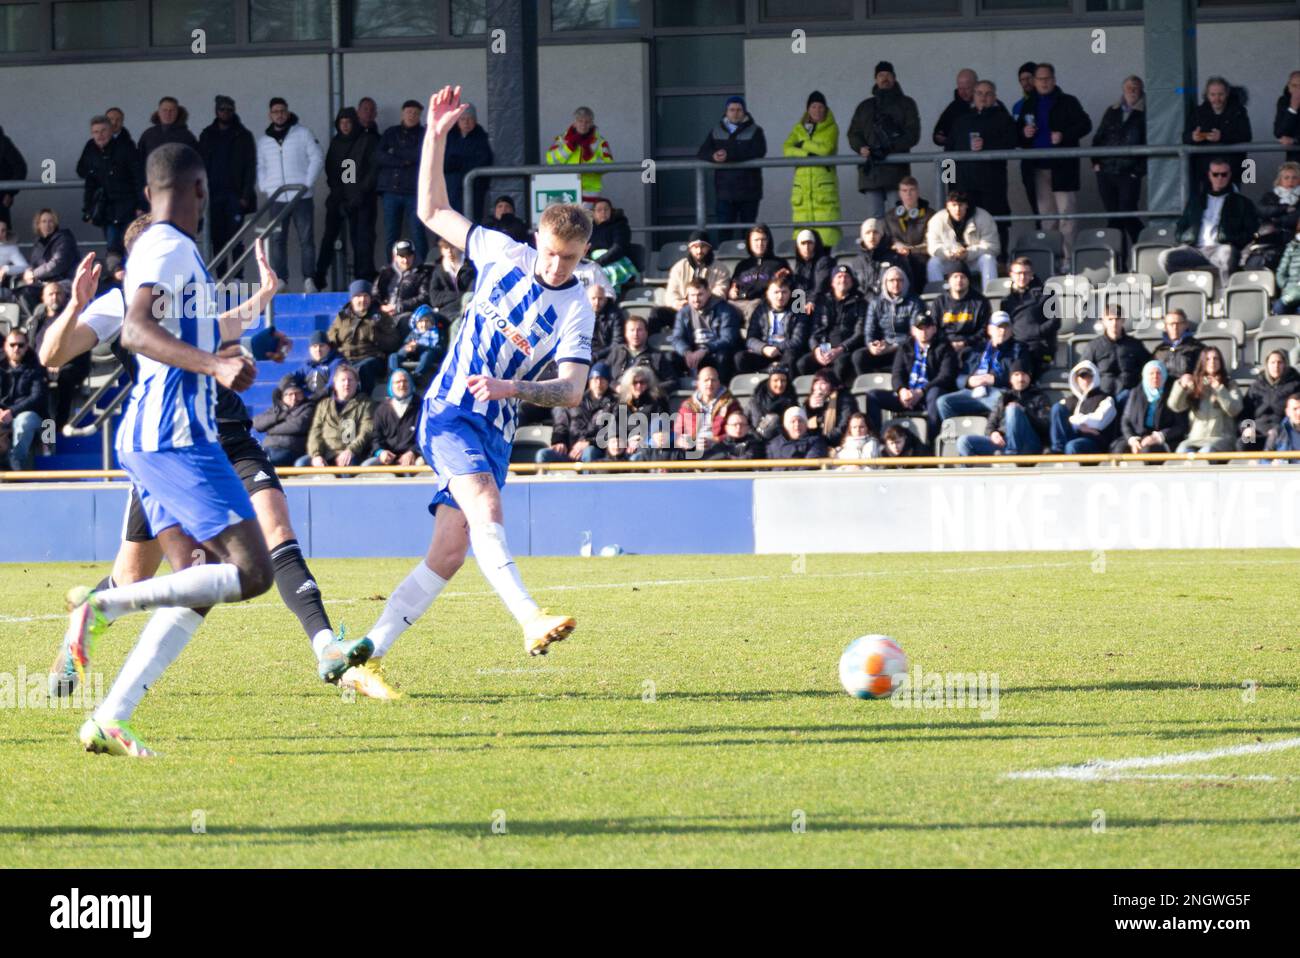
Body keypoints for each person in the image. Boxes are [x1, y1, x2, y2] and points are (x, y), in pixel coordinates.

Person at [50, 147, 364, 758]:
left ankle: (110, 717)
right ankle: (102, 604)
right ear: (197, 187)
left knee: (198, 584)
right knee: (252, 573)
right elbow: (135, 330)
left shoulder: (179, 255)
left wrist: (250, 335)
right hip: (175, 439)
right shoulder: (166, 247)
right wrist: (217, 365)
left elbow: (211, 327)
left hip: (169, 437)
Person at [351, 85, 597, 697]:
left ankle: (364, 658)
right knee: (485, 506)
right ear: (537, 239)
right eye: (551, 254)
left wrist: (510, 385)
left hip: (499, 424)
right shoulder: (498, 251)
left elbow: (571, 391)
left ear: (582, 255)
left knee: (450, 550)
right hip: (449, 410)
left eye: (569, 260)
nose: (556, 268)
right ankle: (529, 617)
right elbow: (433, 211)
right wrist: (434, 135)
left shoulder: (578, 309)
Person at [1015, 63, 1093, 257]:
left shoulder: (1068, 101)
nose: (1044, 82)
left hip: (1063, 168)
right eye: (1040, 79)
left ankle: (1069, 260)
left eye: (1047, 78)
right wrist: (1024, 132)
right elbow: (1015, 134)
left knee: (1067, 216)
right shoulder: (1028, 104)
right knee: (1047, 218)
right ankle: (1051, 260)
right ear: (1034, 81)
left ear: (1054, 79)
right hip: (1038, 168)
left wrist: (1064, 135)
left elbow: (1085, 124)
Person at [257, 97, 324, 291]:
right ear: (270, 115)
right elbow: (260, 166)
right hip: (277, 198)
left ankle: (309, 279)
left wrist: (306, 184)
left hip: (301, 197)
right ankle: (281, 280)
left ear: (288, 112)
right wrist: (266, 187)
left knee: (306, 239)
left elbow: (317, 157)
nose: (279, 114)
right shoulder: (264, 141)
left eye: (282, 111)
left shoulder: (303, 133)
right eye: (275, 111)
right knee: (277, 240)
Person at [1163, 157, 1259, 287]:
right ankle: (1185, 289)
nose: (1220, 178)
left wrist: (1232, 239)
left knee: (1227, 253)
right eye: (1215, 174)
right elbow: (1181, 226)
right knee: (1165, 257)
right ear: (1209, 175)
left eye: (1224, 174)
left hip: (1221, 247)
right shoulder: (1196, 201)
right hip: (1196, 249)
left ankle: (1228, 295)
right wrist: (1186, 239)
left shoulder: (1242, 202)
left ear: (1229, 175)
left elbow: (1250, 230)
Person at [312, 106, 378, 290]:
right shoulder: (336, 143)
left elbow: (370, 171)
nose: (346, 126)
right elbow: (332, 171)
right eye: (342, 123)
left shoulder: (366, 141)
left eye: (349, 122)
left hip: (361, 200)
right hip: (338, 198)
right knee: (329, 237)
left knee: (361, 241)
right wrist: (340, 196)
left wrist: (356, 196)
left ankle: (362, 279)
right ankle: (319, 276)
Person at [949, 79, 1017, 258]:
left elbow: (1012, 143)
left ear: (994, 97)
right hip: (965, 186)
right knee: (965, 226)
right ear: (973, 95)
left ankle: (1000, 263)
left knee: (996, 225)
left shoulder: (1003, 119)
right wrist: (949, 185)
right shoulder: (961, 121)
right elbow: (948, 153)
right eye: (979, 93)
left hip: (992, 186)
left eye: (988, 94)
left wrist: (988, 144)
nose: (983, 97)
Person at [864, 311, 956, 443]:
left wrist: (921, 391)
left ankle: (931, 444)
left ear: (934, 329)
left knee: (935, 393)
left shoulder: (944, 347)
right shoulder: (905, 346)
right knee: (873, 395)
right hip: (907, 395)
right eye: (920, 328)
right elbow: (897, 373)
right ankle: (876, 441)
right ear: (913, 330)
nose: (923, 332)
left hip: (927, 396)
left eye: (927, 327)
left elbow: (946, 376)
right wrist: (901, 391)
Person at [846, 61, 921, 220]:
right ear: (875, 79)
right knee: (875, 221)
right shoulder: (865, 106)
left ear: (894, 78)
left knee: (900, 218)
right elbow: (853, 133)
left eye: (887, 75)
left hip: (896, 172)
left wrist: (889, 148)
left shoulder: (906, 104)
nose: (884, 78)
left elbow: (913, 134)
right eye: (881, 75)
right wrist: (861, 148)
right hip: (871, 173)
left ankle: (900, 246)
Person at [198, 96, 258, 280]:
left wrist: (246, 195)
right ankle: (222, 278)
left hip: (235, 196)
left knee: (236, 239)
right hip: (213, 195)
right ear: (216, 111)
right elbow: (200, 166)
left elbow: (250, 166)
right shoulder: (207, 135)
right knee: (217, 239)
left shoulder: (243, 135)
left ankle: (238, 277)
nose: (226, 113)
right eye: (222, 109)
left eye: (229, 110)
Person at [697, 96, 767, 240]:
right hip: (725, 192)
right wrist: (713, 155)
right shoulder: (716, 130)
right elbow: (702, 152)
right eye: (732, 110)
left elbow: (758, 151)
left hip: (749, 191)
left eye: (739, 110)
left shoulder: (755, 130)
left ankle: (749, 261)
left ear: (744, 111)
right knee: (724, 233)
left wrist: (728, 155)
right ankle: (723, 261)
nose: (735, 113)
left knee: (749, 234)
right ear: (726, 112)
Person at [76, 115, 144, 256]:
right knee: (112, 245)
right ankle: (117, 274)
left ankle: (131, 275)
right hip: (106, 208)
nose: (100, 135)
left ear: (111, 131)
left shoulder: (125, 147)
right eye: (96, 132)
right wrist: (88, 209)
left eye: (103, 131)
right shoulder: (90, 148)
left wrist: (141, 205)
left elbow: (139, 178)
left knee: (132, 245)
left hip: (128, 206)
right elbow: (82, 171)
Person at [24, 281, 90, 427]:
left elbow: (81, 349)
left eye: (58, 293)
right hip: (41, 367)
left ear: (65, 297)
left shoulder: (72, 319)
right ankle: (40, 430)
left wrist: (59, 362)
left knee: (64, 379)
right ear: (43, 298)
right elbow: (30, 349)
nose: (55, 297)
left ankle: (59, 427)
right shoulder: (36, 322)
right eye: (51, 294)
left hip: (70, 365)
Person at [957, 358, 1052, 458]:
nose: (1020, 378)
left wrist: (1024, 412)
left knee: (1013, 410)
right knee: (964, 441)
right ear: (1011, 378)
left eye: (1024, 374)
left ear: (1029, 377)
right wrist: (993, 433)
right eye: (1016, 375)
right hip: (1004, 444)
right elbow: (990, 424)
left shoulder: (1039, 397)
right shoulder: (1004, 398)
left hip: (1029, 444)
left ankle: (1011, 453)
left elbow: (1045, 426)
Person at [1091, 76, 1147, 243]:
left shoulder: (1146, 113)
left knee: (1127, 213)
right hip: (1106, 171)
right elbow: (1099, 137)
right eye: (1129, 87)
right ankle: (1118, 262)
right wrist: (1096, 162)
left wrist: (1137, 172)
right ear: (1123, 90)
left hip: (1129, 172)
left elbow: (1149, 143)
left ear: (1141, 90)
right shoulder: (1112, 111)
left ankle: (1143, 250)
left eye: (1135, 87)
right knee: (1113, 218)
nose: (1132, 91)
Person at [783, 91, 841, 248]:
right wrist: (807, 153)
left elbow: (825, 150)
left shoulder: (831, 127)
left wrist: (802, 144)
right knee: (804, 239)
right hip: (802, 188)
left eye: (821, 107)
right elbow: (787, 149)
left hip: (823, 186)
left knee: (826, 235)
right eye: (814, 106)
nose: (817, 110)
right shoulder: (798, 128)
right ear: (808, 109)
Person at [935, 310, 1018, 421]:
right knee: (943, 402)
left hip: (997, 391)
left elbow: (1020, 378)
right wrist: (969, 381)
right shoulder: (977, 349)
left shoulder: (1018, 349)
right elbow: (959, 378)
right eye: (998, 327)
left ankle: (996, 433)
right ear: (989, 330)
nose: (1002, 331)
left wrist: (994, 380)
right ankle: (957, 434)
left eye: (1006, 327)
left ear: (1011, 329)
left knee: (1004, 403)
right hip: (972, 392)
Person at [852, 264, 928, 377]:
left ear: (905, 282)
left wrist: (893, 346)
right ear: (885, 283)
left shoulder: (915, 302)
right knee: (858, 356)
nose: (895, 284)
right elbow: (869, 331)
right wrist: (871, 346)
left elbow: (915, 334)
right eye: (891, 280)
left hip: (903, 347)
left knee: (907, 354)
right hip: (883, 345)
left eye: (899, 280)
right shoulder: (875, 303)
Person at [377, 99, 429, 264]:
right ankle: (392, 270)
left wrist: (395, 154)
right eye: (409, 112)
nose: (412, 116)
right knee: (391, 235)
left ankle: (422, 269)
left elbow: (422, 155)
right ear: (402, 113)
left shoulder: (424, 134)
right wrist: (402, 161)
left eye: (415, 113)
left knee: (418, 233)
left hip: (415, 192)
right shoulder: (390, 133)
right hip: (391, 191)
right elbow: (378, 156)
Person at [327, 278, 398, 395]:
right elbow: (330, 337)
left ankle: (362, 399)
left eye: (366, 296)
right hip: (346, 359)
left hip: (370, 358)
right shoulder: (342, 317)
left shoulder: (379, 316)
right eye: (358, 296)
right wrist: (335, 338)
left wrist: (376, 337)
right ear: (352, 299)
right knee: (335, 369)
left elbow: (394, 341)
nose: (362, 300)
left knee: (362, 370)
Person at [536, 362, 618, 464]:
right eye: (595, 379)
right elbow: (561, 424)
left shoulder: (615, 404)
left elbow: (613, 432)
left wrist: (589, 442)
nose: (598, 383)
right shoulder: (576, 399)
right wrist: (559, 441)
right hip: (570, 449)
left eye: (602, 379)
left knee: (589, 452)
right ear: (589, 381)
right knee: (543, 454)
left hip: (597, 450)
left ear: (608, 381)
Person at [1167, 346, 1243, 454]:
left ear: (1220, 362)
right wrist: (1181, 386)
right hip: (1195, 438)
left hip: (1221, 439)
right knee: (1181, 451)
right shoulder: (1195, 384)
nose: (1212, 362)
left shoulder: (1230, 385)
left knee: (1206, 452)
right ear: (1202, 362)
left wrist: (1219, 389)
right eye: (1207, 359)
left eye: (1215, 359)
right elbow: (1175, 406)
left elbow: (1235, 410)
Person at [800, 265, 866, 383]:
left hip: (845, 348)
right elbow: (814, 331)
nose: (843, 280)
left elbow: (859, 333)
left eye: (846, 277)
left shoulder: (860, 302)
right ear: (832, 282)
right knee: (803, 363)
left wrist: (839, 349)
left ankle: (836, 396)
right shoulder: (822, 302)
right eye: (839, 277)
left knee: (841, 364)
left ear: (852, 281)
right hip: (824, 347)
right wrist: (816, 350)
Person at [301, 363, 374, 468]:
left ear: (357, 383)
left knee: (348, 466)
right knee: (301, 464)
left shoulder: (365, 404)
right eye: (343, 380)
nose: (346, 383)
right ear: (335, 384)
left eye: (350, 380)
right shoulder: (324, 405)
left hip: (351, 453)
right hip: (325, 453)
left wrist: (351, 450)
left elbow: (366, 431)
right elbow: (315, 432)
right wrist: (316, 455)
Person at [1078, 304, 1150, 408]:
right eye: (1110, 319)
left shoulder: (1135, 345)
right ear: (1103, 321)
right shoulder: (1093, 346)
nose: (1114, 323)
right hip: (1101, 396)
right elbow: (1083, 370)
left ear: (1123, 320)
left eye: (1117, 319)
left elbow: (1149, 367)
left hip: (1128, 396)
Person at [924, 190, 1000, 288]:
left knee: (988, 259)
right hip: (950, 259)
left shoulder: (983, 217)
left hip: (974, 259)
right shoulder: (937, 220)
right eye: (954, 205)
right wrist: (947, 253)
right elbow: (932, 247)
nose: (957, 209)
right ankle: (939, 298)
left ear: (967, 205)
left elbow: (993, 246)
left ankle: (991, 295)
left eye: (961, 205)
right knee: (933, 263)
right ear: (947, 206)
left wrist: (968, 253)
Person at [1185, 77, 1252, 187]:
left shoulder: (1239, 111)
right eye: (1213, 94)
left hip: (1232, 169)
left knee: (1232, 202)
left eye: (1221, 94)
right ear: (1207, 95)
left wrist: (1222, 137)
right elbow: (1185, 137)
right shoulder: (1198, 112)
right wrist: (1193, 137)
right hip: (1205, 171)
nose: (1217, 98)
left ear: (1227, 93)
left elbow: (1247, 136)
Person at [672, 278, 742, 383]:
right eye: (692, 295)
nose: (696, 299)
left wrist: (705, 350)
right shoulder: (683, 313)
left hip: (715, 351)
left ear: (708, 293)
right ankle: (679, 389)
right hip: (693, 352)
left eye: (700, 294)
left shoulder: (725, 310)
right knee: (670, 357)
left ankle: (721, 388)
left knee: (723, 357)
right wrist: (686, 352)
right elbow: (677, 338)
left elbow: (728, 339)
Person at [1112, 359, 1187, 455]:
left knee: (1147, 450)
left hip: (1165, 438)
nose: (1155, 377)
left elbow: (1181, 425)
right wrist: (1132, 438)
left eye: (1158, 373)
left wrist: (1158, 437)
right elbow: (1125, 420)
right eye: (1151, 374)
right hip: (1138, 436)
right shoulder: (1136, 393)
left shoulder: (1172, 392)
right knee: (1119, 449)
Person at [737, 277, 809, 374]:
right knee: (740, 358)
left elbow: (797, 341)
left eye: (784, 292)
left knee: (791, 355)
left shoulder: (797, 312)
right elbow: (751, 338)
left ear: (790, 294)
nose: (780, 296)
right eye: (776, 292)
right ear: (768, 294)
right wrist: (763, 348)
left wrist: (776, 348)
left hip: (784, 353)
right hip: (764, 352)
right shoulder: (760, 311)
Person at [0, 328, 47, 471]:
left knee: (23, 422)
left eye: (20, 345)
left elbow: (37, 397)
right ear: (5, 346)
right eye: (12, 345)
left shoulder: (37, 366)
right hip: (3, 414)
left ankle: (16, 466)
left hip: (34, 416)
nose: (16, 349)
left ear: (26, 347)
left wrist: (11, 412)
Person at [16, 209, 79, 315]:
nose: (47, 225)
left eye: (51, 221)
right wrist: (28, 272)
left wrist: (34, 274)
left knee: (51, 293)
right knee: (21, 292)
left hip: (63, 282)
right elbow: (33, 264)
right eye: (44, 221)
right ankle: (37, 322)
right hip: (43, 282)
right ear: (38, 225)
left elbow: (57, 264)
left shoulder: (64, 239)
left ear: (55, 224)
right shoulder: (38, 243)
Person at [1049, 360, 1119, 456]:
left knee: (1072, 446)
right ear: (1076, 379)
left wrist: (1072, 422)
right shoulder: (1068, 401)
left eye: (1089, 376)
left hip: (1094, 442)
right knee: (1057, 408)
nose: (1086, 380)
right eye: (1082, 376)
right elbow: (1057, 418)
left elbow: (1098, 422)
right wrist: (1078, 427)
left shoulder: (1106, 398)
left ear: (1095, 377)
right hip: (1071, 437)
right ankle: (1057, 451)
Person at [546, 106, 613, 205]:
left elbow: (608, 166)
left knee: (587, 220)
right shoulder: (562, 139)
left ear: (592, 123)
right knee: (567, 220)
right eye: (580, 121)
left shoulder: (600, 142)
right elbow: (551, 160)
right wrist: (568, 147)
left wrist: (590, 157)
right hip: (566, 190)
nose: (583, 125)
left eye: (587, 122)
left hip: (590, 193)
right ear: (574, 122)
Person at [1002, 257, 1057, 377]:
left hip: (1038, 346)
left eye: (1026, 273)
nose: (1022, 277)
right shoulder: (1006, 301)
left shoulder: (1046, 294)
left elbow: (1055, 322)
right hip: (1016, 345)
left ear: (1031, 274)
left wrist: (1036, 332)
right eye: (1018, 273)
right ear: (1011, 275)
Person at [1240, 349, 1300, 452]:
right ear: (1267, 365)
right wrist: (1247, 428)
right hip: (1257, 432)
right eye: (1272, 362)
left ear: (1285, 365)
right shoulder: (1256, 386)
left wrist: (1279, 429)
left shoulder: (1295, 385)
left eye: (1279, 362)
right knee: (1242, 444)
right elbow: (1245, 414)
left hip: (1282, 432)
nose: (1276, 366)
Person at [362, 369, 422, 469]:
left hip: (414, 456)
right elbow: (375, 438)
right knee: (366, 466)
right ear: (391, 386)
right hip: (388, 458)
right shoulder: (382, 410)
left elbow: (426, 437)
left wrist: (413, 452)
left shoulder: (421, 407)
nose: (402, 385)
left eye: (405, 381)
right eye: (398, 382)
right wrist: (380, 452)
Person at [674, 365, 740, 456]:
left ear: (719, 383)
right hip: (691, 451)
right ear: (698, 384)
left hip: (720, 449)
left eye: (713, 380)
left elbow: (737, 430)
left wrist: (715, 440)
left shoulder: (730, 404)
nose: (710, 383)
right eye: (706, 380)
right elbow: (677, 432)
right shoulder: (687, 406)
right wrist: (681, 441)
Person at [931, 262, 991, 361]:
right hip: (945, 345)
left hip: (972, 346)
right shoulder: (939, 302)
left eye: (963, 277)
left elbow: (984, 329)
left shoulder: (981, 302)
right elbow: (934, 327)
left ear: (968, 280)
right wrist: (948, 343)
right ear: (949, 280)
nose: (959, 280)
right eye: (955, 276)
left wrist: (965, 342)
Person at [443, 101, 493, 219]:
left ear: (475, 120)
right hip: (451, 189)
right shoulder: (449, 137)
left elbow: (483, 161)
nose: (466, 122)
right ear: (457, 121)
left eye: (470, 119)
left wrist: (457, 162)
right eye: (463, 119)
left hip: (474, 190)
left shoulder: (482, 138)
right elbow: (444, 162)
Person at [882, 178, 933, 288]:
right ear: (900, 193)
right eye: (904, 191)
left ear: (918, 191)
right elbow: (887, 239)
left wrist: (910, 250)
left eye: (912, 190)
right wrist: (896, 245)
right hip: (897, 257)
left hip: (921, 257)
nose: (908, 194)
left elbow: (931, 243)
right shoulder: (890, 216)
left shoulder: (930, 215)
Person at [252, 376, 313, 467]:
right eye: (289, 394)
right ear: (282, 397)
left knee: (265, 462)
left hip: (290, 449)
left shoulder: (307, 408)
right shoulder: (276, 409)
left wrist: (269, 429)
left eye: (297, 393)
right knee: (250, 460)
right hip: (268, 447)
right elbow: (257, 424)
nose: (294, 397)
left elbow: (297, 426)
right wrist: (279, 417)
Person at [1250, 161, 1300, 271]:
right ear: (1280, 180)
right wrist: (1284, 209)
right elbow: (1261, 210)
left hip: (1293, 238)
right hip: (1271, 238)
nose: (1290, 181)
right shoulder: (1270, 196)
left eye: (1294, 177)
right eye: (1286, 178)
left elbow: (1295, 218)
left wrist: (1275, 217)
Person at [666, 230, 730, 311]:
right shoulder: (679, 267)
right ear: (690, 249)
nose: (699, 251)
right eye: (695, 247)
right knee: (658, 313)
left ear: (709, 248)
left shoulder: (721, 268)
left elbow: (721, 292)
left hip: (709, 309)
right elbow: (671, 292)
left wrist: (701, 302)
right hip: (682, 309)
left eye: (703, 247)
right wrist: (676, 303)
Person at [606, 313, 678, 385]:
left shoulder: (656, 357)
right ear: (626, 334)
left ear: (646, 333)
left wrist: (653, 390)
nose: (635, 334)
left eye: (639, 330)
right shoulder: (616, 352)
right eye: (632, 330)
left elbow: (672, 381)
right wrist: (614, 386)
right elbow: (603, 375)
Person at [1010, 61, 1041, 224]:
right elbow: (1013, 135)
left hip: (1047, 161)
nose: (1026, 82)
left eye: (1030, 78)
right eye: (1022, 79)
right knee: (1035, 204)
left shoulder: (1046, 102)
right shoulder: (1018, 106)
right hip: (1028, 161)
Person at [389, 304, 447, 389]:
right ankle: (395, 376)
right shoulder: (413, 333)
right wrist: (407, 349)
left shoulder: (437, 333)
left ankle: (416, 376)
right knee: (393, 356)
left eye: (427, 321)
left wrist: (420, 347)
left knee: (427, 354)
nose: (424, 324)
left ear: (432, 322)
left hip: (428, 354)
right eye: (421, 321)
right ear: (416, 323)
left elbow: (440, 349)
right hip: (412, 355)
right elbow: (403, 348)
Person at [588, 197, 637, 291]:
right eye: (599, 210)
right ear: (593, 213)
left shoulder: (620, 225)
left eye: (606, 209)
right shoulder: (590, 229)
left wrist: (597, 263)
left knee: (603, 276)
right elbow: (585, 248)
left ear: (611, 211)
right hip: (594, 263)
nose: (603, 212)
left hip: (616, 262)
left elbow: (619, 248)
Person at [848, 216, 906, 296]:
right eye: (868, 233)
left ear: (881, 235)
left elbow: (906, 284)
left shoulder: (895, 259)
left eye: (875, 232)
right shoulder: (857, 262)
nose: (872, 236)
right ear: (863, 237)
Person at [136, 97, 199, 165]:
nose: (168, 114)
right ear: (159, 112)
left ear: (177, 113)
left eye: (172, 110)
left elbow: (195, 163)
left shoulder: (187, 136)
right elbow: (139, 161)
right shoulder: (148, 135)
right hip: (153, 175)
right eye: (164, 110)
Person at [803, 369, 856, 448]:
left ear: (832, 385)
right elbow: (802, 423)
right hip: (815, 441)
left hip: (837, 443)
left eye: (823, 383)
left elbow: (844, 426)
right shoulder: (810, 400)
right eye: (816, 383)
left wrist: (823, 440)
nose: (819, 387)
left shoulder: (845, 399)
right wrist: (809, 408)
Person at [747, 364, 799, 442]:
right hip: (756, 444)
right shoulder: (755, 400)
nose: (780, 384)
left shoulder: (792, 402)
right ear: (769, 382)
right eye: (775, 380)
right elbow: (744, 423)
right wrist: (756, 436)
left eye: (783, 381)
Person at [1150, 308, 1204, 379]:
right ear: (1166, 327)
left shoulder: (1197, 348)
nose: (1175, 327)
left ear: (1186, 325)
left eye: (1178, 324)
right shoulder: (1159, 350)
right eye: (1171, 324)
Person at [428, 236, 474, 315]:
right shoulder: (438, 270)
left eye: (452, 247)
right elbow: (434, 298)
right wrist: (460, 296)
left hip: (470, 309)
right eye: (446, 248)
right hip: (447, 314)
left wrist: (449, 297)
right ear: (441, 251)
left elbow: (472, 294)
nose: (449, 251)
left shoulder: (471, 267)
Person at [293, 330, 343, 402]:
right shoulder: (307, 365)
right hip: (308, 404)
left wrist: (315, 397)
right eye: (314, 346)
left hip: (328, 403)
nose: (318, 350)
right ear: (310, 349)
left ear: (329, 347)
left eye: (321, 346)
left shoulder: (337, 363)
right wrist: (286, 384)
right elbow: (293, 377)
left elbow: (332, 384)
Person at [933, 70, 978, 148]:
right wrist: (939, 137)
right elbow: (940, 131)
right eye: (960, 88)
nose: (963, 92)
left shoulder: (992, 105)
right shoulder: (953, 108)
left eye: (967, 88)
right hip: (956, 156)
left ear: (976, 86)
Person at [789, 229, 833, 306]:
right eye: (803, 243)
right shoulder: (797, 266)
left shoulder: (824, 262)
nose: (807, 247)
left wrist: (811, 301)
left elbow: (820, 285)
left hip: (819, 305)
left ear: (815, 245)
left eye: (810, 243)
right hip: (800, 305)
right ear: (798, 246)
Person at [0, 123, 26, 229]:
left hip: (0, 200)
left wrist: (10, 192)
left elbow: (20, 168)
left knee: (3, 241)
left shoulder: (2, 143)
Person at [1273, 71, 1300, 163]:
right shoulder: (1284, 102)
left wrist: (1295, 140)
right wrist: (1293, 109)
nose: (1298, 90)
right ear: (1289, 87)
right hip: (1295, 161)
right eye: (1294, 86)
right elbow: (1279, 132)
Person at [1276, 221, 1300, 314]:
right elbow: (1280, 272)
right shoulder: (1292, 247)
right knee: (1279, 307)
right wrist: (1285, 285)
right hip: (1290, 292)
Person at [0, 220, 29, 292]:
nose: (0, 233)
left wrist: (6, 269)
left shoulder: (10, 248)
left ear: (7, 232)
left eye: (3, 230)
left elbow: (24, 267)